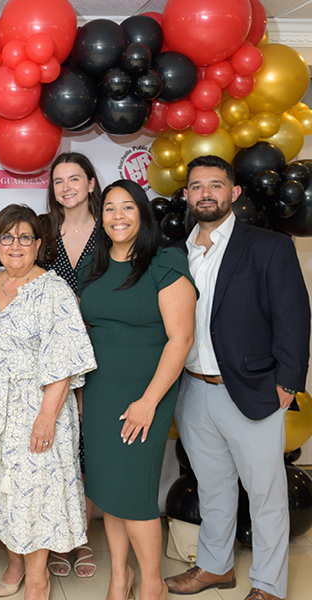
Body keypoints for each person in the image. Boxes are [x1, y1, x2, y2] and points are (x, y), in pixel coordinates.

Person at [164, 156, 310, 600]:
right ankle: (215, 567)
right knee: (212, 488)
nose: (205, 193)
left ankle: (268, 585)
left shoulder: (267, 245)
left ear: (234, 193)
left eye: (215, 185)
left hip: (252, 389)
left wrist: (288, 382)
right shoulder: (176, 252)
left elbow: (294, 316)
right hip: (192, 387)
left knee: (265, 494)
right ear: (187, 195)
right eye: (196, 186)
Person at [0, 204, 96, 600]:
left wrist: (47, 417)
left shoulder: (54, 289)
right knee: (3, 489)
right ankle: (13, 564)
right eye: (7, 237)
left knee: (36, 490)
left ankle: (37, 578)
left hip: (37, 404)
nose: (16, 245)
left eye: (25, 237)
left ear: (39, 244)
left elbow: (65, 359)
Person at [77, 180, 197, 600]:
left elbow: (180, 339)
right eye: (109, 209)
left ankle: (151, 584)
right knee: (109, 489)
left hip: (146, 394)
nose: (118, 216)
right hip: (98, 392)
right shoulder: (92, 265)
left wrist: (148, 401)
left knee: (136, 493)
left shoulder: (165, 262)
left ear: (143, 214)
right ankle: (118, 578)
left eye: (128, 207)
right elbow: (84, 331)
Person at [41, 152, 101, 579]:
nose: (66, 187)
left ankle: (81, 537)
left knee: (90, 449)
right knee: (61, 446)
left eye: (74, 179)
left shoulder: (114, 227)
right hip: (56, 356)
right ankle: (57, 536)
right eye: (59, 181)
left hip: (105, 350)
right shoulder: (43, 232)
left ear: (92, 184)